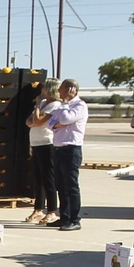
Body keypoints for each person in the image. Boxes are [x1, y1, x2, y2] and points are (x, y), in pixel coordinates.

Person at [44, 79, 88, 231]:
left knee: (71, 186)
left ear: (71, 89)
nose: (59, 91)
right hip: (59, 149)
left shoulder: (79, 105)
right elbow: (51, 123)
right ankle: (64, 217)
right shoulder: (63, 107)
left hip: (71, 150)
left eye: (61, 88)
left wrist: (65, 106)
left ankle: (75, 219)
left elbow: (64, 119)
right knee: (61, 186)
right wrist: (59, 123)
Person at [23, 82, 58, 224]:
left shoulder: (55, 105)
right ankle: (38, 209)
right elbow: (29, 121)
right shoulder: (43, 103)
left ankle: (52, 210)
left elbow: (38, 121)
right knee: (37, 178)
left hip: (47, 143)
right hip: (36, 143)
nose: (41, 91)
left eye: (44, 88)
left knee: (48, 178)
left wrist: (37, 107)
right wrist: (37, 110)